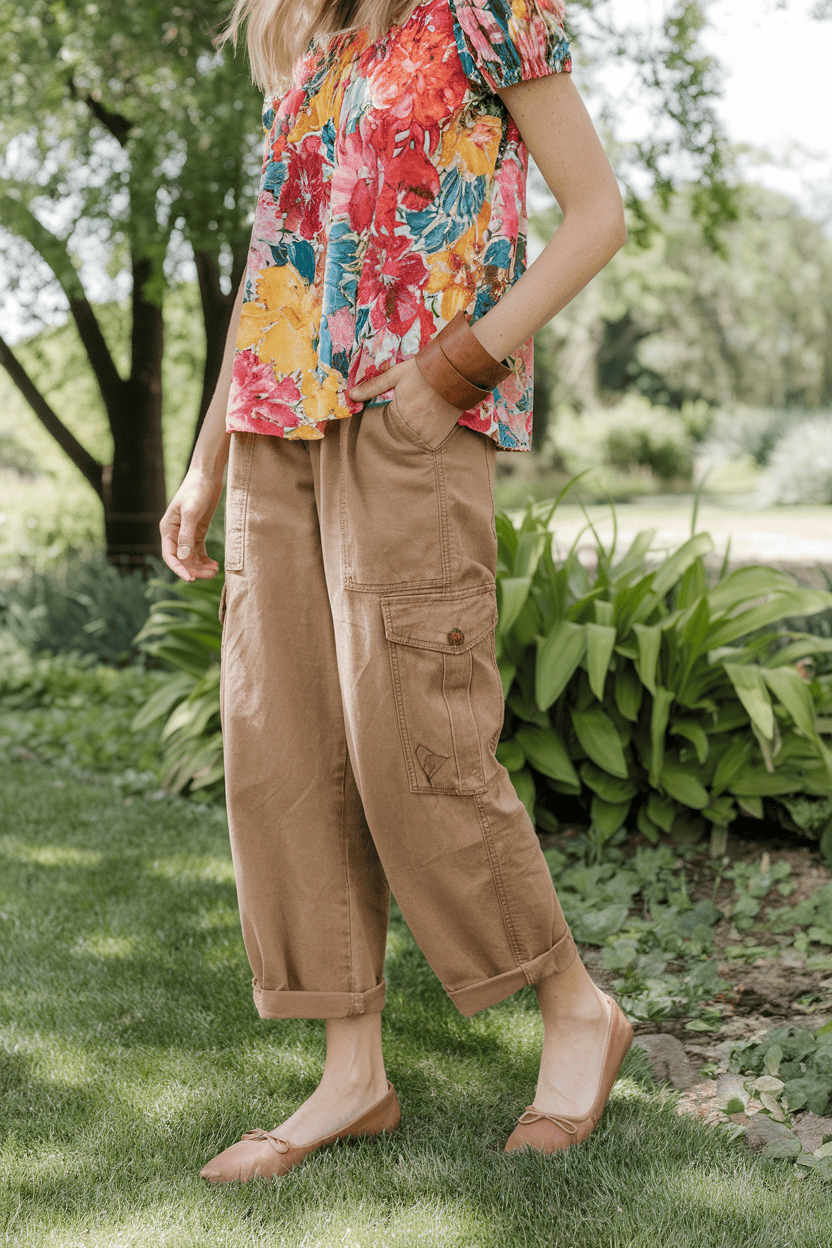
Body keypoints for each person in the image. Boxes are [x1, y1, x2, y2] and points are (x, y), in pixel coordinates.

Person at [160, 0, 633, 1184]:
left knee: (416, 741)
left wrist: (450, 374)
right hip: (274, 432)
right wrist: (207, 455)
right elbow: (273, 269)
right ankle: (351, 1074)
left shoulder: (483, 14)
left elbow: (597, 220)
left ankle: (577, 1008)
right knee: (287, 749)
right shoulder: (309, 53)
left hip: (408, 424)